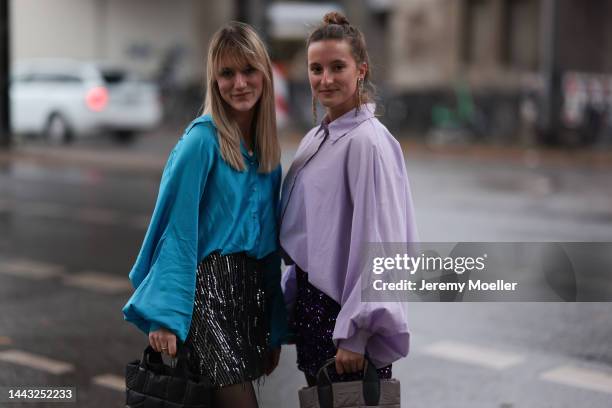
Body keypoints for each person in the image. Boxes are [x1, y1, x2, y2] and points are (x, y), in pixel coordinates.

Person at [123, 22, 288, 408]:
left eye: (249, 70)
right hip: (206, 297)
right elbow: (176, 231)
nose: (240, 83)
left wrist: (273, 329)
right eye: (227, 73)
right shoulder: (201, 141)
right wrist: (166, 315)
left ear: (265, 74)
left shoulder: (267, 155)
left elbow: (269, 252)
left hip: (248, 300)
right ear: (214, 81)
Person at [280, 12, 418, 386]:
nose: (325, 79)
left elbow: (384, 245)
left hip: (345, 320)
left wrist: (358, 333)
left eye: (337, 66)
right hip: (316, 310)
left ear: (361, 69)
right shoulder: (317, 138)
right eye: (315, 68)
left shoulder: (367, 142)